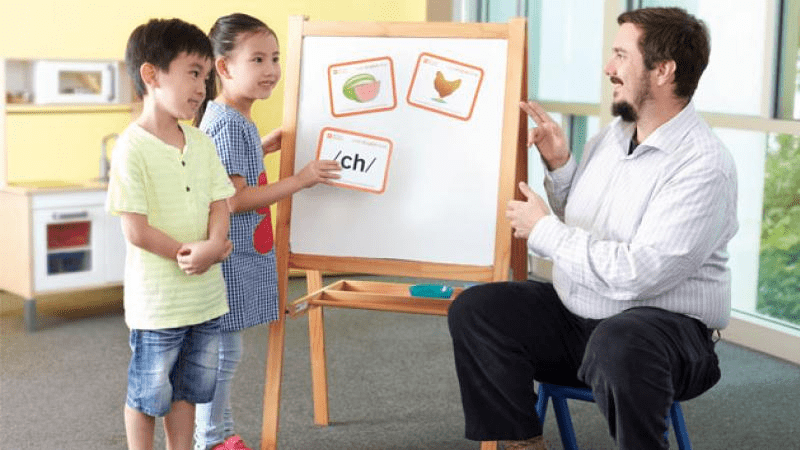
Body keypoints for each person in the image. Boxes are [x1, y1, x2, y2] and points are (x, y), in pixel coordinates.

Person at [447, 7, 738, 450]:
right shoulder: (612, 137)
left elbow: (639, 273)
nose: (608, 68)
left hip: (667, 337)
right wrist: (562, 165)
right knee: (478, 310)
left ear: (663, 70)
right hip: (582, 318)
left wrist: (543, 230)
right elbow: (587, 226)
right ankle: (523, 444)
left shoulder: (704, 165)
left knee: (620, 341)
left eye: (621, 55)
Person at [192, 13, 341, 450]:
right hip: (231, 256)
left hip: (237, 253)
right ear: (224, 67)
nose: (271, 69)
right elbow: (233, 199)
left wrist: (259, 147)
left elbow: (224, 178)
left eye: (274, 58)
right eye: (257, 59)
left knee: (223, 351)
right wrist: (300, 179)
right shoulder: (228, 122)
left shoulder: (231, 120)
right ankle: (212, 437)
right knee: (222, 352)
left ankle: (217, 433)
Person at [106, 18, 236, 450]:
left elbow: (222, 200)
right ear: (151, 74)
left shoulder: (201, 142)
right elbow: (137, 230)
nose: (202, 87)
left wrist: (215, 244)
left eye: (205, 76)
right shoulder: (131, 147)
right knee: (148, 397)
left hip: (205, 302)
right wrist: (192, 253)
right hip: (158, 306)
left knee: (189, 393)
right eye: (192, 73)